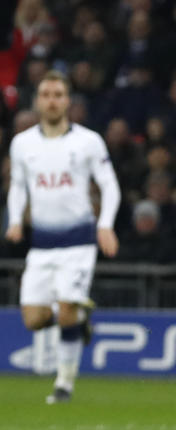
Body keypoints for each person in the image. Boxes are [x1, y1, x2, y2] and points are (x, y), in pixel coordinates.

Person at [3, 70, 120, 404]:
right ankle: (79, 321)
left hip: (79, 243)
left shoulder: (88, 141)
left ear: (68, 101)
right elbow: (18, 187)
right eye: (46, 95)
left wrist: (105, 225)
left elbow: (109, 185)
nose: (52, 100)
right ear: (37, 101)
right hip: (41, 245)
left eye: (58, 94)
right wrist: (15, 220)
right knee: (33, 319)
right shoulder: (22, 144)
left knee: (66, 309)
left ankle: (64, 385)